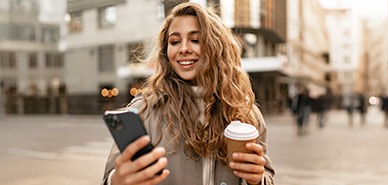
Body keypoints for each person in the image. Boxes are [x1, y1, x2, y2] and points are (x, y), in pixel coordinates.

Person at [100, 3, 274, 185]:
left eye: (195, 39)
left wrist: (258, 179)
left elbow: (266, 174)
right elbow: (111, 176)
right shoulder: (144, 111)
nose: (183, 49)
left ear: (217, 46)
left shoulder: (247, 114)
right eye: (174, 42)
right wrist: (116, 180)